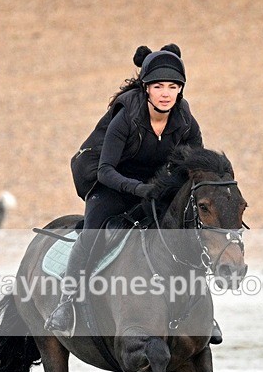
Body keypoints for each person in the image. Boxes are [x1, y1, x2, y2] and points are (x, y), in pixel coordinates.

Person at [46, 44, 220, 341]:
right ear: (146, 88)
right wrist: (139, 188)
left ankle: (203, 313)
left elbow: (197, 164)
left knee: (188, 231)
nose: (166, 93)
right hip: (112, 185)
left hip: (155, 186)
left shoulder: (185, 120)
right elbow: (105, 170)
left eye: (173, 86)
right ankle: (66, 303)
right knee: (93, 234)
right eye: (158, 86)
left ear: (180, 90)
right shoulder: (126, 117)